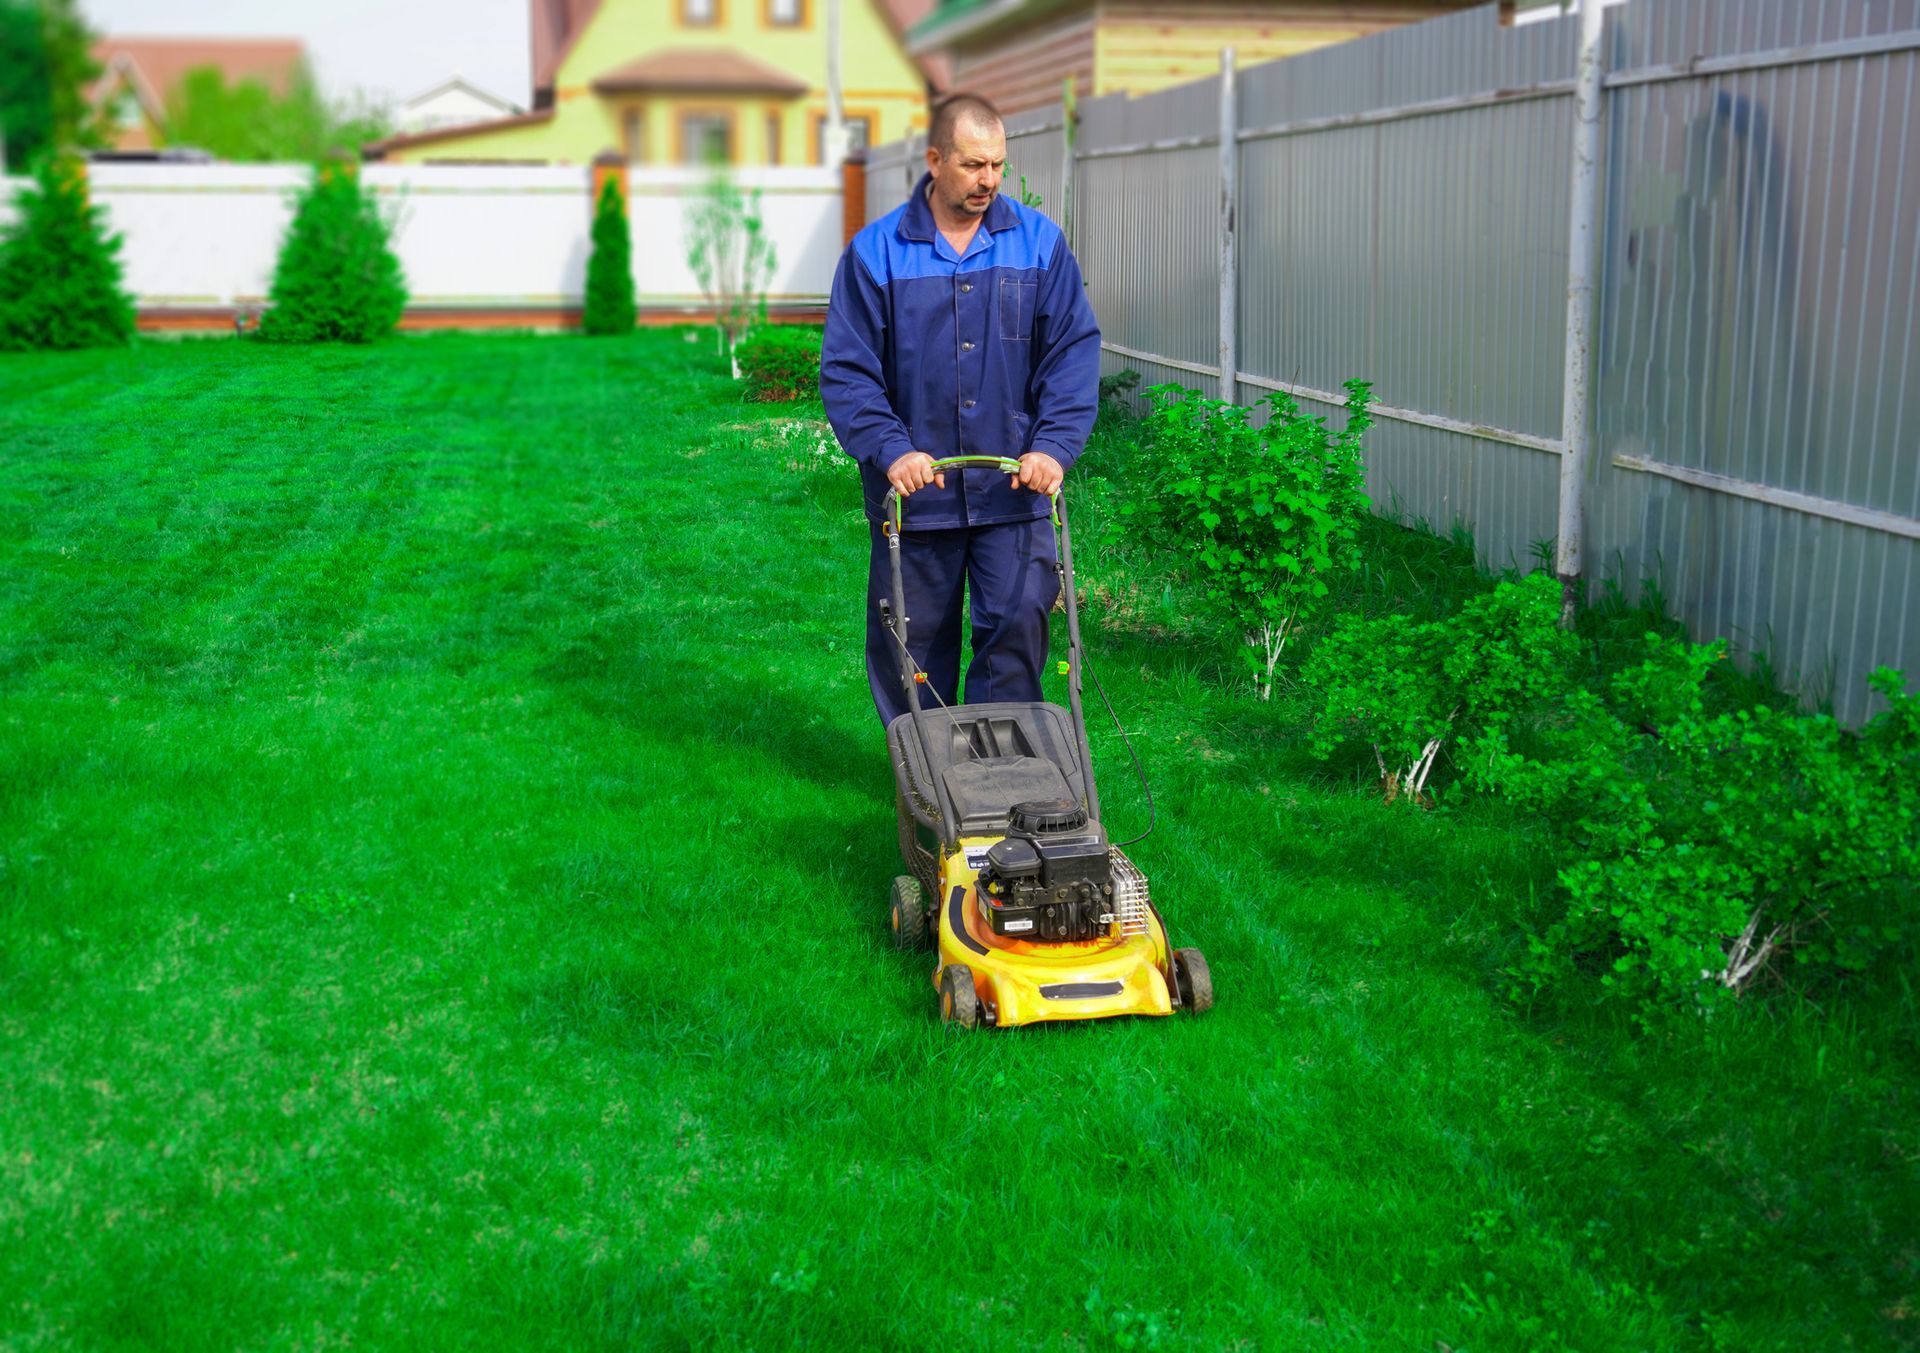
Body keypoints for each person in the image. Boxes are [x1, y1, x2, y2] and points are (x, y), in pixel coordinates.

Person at [821, 93, 1101, 729]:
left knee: (1015, 634)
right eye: (974, 166)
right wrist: (893, 451)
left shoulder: (1039, 245)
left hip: (1015, 492)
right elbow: (849, 371)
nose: (989, 181)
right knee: (913, 654)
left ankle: (1000, 778)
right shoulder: (876, 254)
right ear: (935, 160)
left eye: (998, 166)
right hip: (918, 498)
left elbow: (1072, 355)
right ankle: (926, 784)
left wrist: (1053, 448)